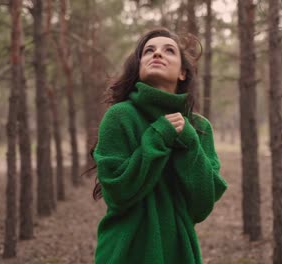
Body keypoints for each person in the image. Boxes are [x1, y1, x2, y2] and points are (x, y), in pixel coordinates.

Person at [91, 28, 228, 264]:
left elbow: (202, 205)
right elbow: (117, 194)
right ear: (139, 68)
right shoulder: (120, 116)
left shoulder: (198, 128)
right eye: (149, 51)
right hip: (125, 251)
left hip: (179, 253)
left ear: (183, 72)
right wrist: (158, 137)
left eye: (169, 51)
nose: (157, 54)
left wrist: (189, 142)